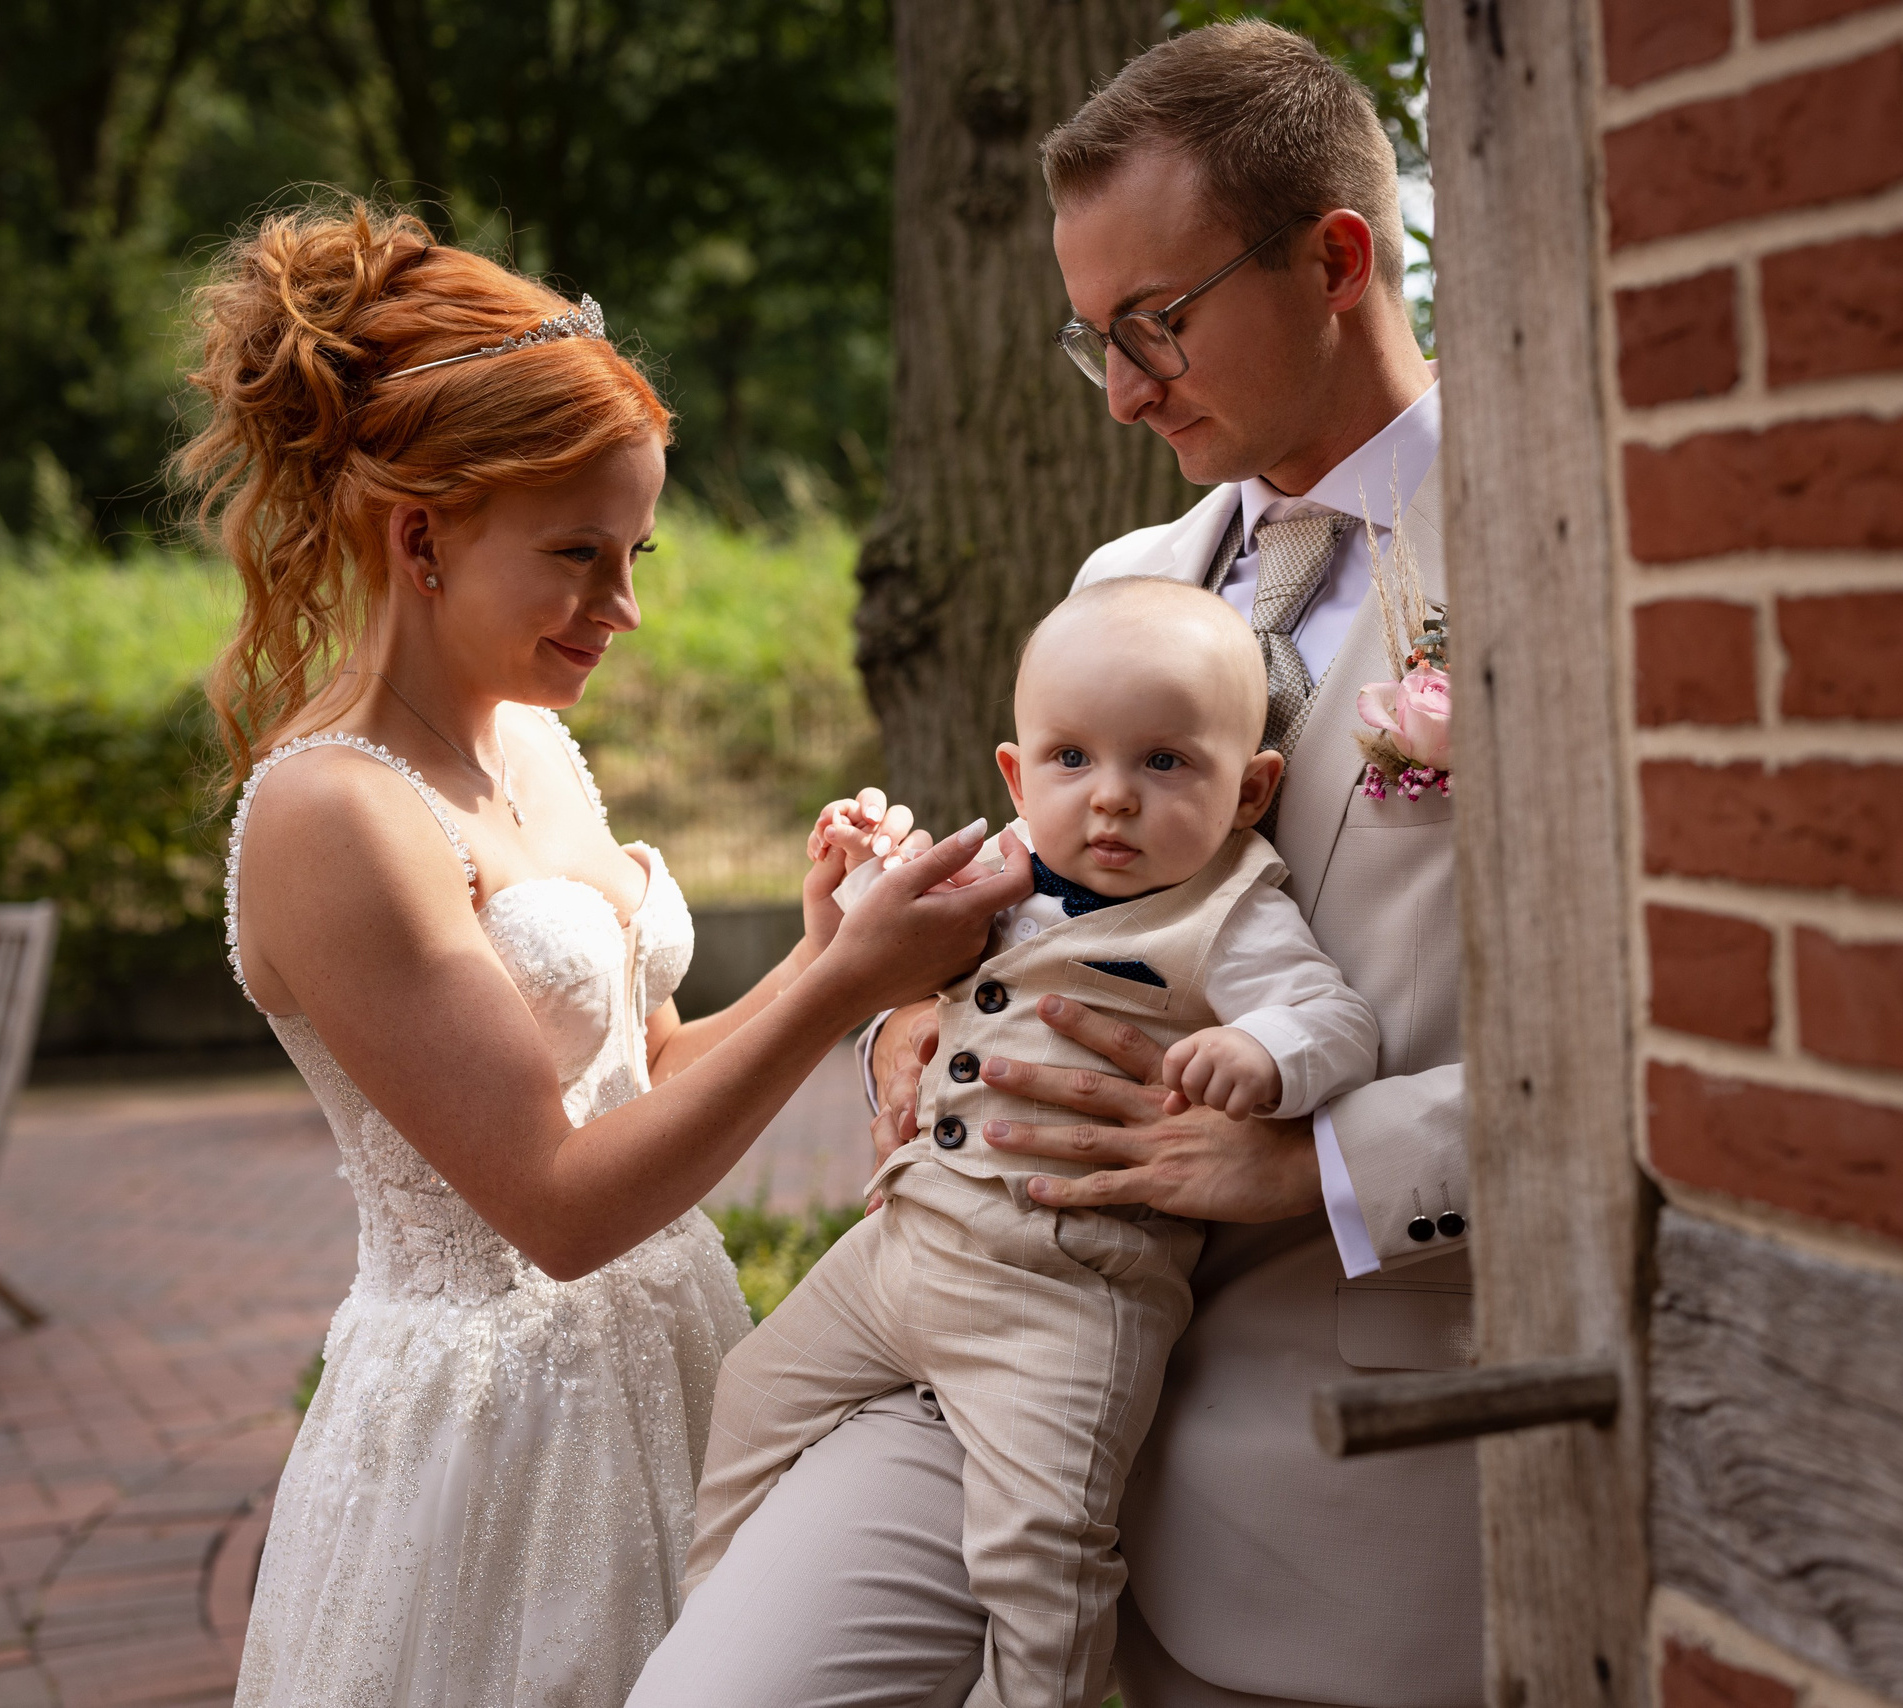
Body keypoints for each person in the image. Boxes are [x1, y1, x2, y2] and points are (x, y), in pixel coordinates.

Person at [651, 21, 1479, 1707]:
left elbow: (1694, 1049)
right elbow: (1066, 901)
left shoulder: (1558, 554)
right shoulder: (1120, 573)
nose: (1120, 390)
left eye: (1155, 324)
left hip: (1333, 1446)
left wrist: (1318, 1166)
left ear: (1335, 259)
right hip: (970, 1346)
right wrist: (902, 1004)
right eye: (1088, 339)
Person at [190, 200, 1029, 1708]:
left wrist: (828, 949)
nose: (624, 610)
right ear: (422, 530)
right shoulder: (332, 815)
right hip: (494, 1444)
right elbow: (560, 1210)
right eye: (580, 555)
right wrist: (838, 987)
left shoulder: (531, 746)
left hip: (679, 1360)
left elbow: (637, 1077)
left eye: (635, 551)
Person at [657, 580, 1379, 1708]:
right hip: (902, 1248)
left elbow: (1337, 1019)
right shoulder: (998, 866)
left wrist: (1267, 1056)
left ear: (1252, 791)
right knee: (751, 1391)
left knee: (1041, 1551)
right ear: (1015, 773)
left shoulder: (1230, 914)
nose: (1111, 802)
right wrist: (861, 884)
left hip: (1063, 1293)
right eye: (1072, 761)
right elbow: (910, 967)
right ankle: (713, 1597)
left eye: (1165, 765)